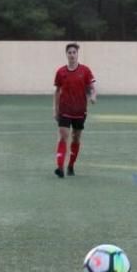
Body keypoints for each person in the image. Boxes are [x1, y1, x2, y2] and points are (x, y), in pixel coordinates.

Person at [52, 43, 97, 178]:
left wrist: (93, 96)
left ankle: (71, 165)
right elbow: (57, 91)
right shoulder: (60, 72)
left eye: (74, 52)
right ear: (66, 55)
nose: (72, 55)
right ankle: (60, 167)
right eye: (69, 52)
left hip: (80, 110)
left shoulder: (85, 71)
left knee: (75, 138)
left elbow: (92, 88)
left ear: (77, 54)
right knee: (63, 136)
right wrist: (55, 109)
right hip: (64, 109)